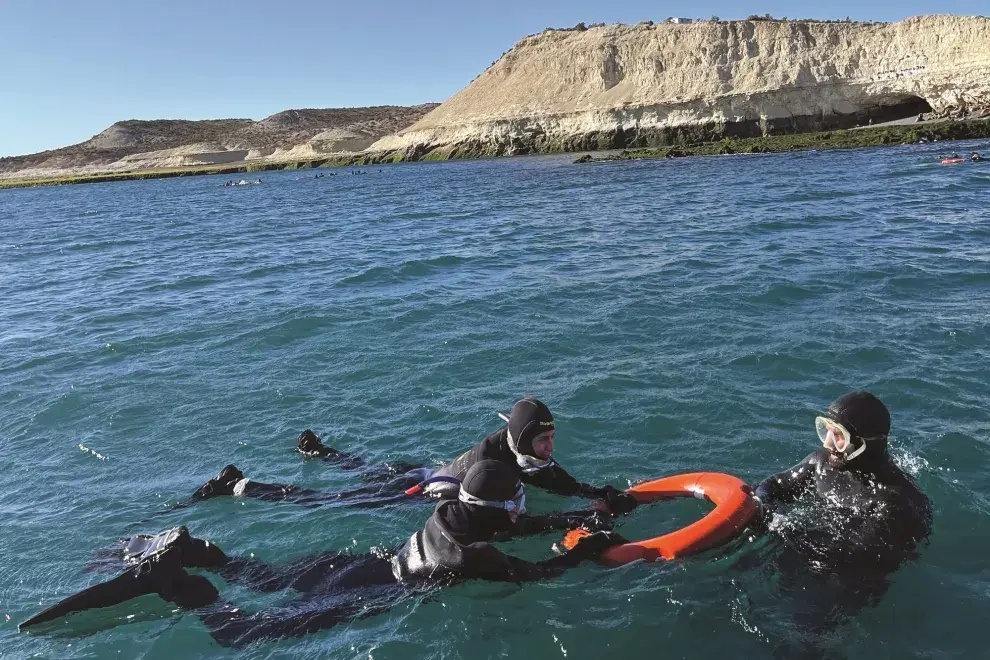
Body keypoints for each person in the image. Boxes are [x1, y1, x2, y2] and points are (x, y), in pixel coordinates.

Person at [20, 462, 625, 648]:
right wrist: (585, 551)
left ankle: (204, 553)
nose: (521, 508)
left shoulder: (448, 515)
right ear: (495, 508)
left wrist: (576, 516)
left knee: (266, 575)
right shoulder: (474, 558)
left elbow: (504, 526)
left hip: (361, 562)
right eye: (516, 500)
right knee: (247, 633)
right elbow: (538, 573)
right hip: (369, 591)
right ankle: (183, 586)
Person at [192, 398, 639, 516]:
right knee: (334, 500)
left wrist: (607, 494)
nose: (551, 448)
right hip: (428, 489)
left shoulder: (522, 452)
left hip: (430, 469)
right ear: (523, 440)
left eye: (553, 438)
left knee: (370, 470)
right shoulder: (499, 461)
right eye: (545, 441)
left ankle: (320, 450)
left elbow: (562, 482)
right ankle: (238, 485)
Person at [750, 390, 932, 636]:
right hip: (805, 554)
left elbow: (848, 557)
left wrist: (780, 527)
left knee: (802, 635)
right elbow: (774, 485)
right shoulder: (822, 463)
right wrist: (763, 505)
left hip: (846, 584)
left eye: (838, 436)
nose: (826, 443)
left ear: (865, 443)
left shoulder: (897, 501)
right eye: (826, 429)